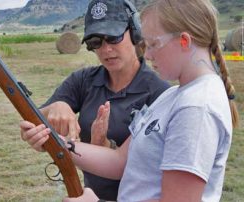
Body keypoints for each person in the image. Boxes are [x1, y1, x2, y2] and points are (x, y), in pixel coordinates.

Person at [21, 0, 240, 201]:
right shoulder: (172, 96)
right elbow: (119, 161)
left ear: (184, 41)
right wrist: (57, 141)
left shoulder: (196, 108)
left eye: (153, 44)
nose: (149, 54)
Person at [21, 0, 169, 200]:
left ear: (135, 33)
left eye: (114, 37)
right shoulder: (83, 80)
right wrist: (56, 108)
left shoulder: (160, 93)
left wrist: (106, 147)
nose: (106, 49)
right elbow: (33, 118)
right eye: (95, 41)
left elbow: (145, 164)